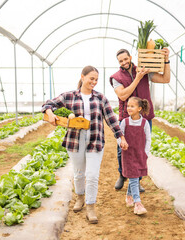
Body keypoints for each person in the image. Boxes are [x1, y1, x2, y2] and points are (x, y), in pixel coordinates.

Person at [42, 65, 128, 224]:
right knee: (79, 173)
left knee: (93, 175)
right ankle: (80, 198)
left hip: (95, 139)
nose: (94, 82)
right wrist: (51, 114)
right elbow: (48, 104)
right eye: (91, 78)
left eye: (96, 79)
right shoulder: (70, 96)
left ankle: (90, 207)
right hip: (75, 140)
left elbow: (111, 119)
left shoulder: (100, 98)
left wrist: (120, 137)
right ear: (82, 77)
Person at [110, 48, 170, 191]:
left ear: (130, 57)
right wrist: (137, 78)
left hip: (144, 117)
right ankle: (122, 175)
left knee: (140, 149)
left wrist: (166, 60)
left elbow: (165, 79)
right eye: (121, 61)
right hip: (126, 118)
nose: (124, 62)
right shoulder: (116, 77)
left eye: (126, 59)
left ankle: (137, 180)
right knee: (122, 149)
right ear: (118, 62)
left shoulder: (145, 70)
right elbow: (123, 96)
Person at [117, 96, 151, 215]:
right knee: (134, 177)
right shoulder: (124, 122)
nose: (129, 108)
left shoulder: (144, 123)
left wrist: (146, 153)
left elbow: (148, 139)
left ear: (139, 108)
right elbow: (119, 136)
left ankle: (128, 196)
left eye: (132, 106)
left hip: (140, 154)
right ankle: (138, 203)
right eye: (128, 106)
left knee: (135, 176)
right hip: (128, 154)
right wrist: (122, 143)